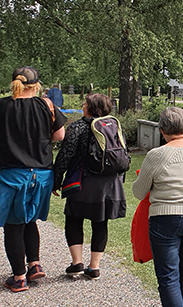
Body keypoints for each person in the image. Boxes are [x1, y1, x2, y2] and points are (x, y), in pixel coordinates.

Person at [133, 107, 183, 307]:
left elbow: (139, 192)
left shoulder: (157, 155)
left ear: (162, 130)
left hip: (166, 217)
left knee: (168, 275)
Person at [0, 66, 67, 292]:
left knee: (12, 224)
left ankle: (19, 277)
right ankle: (34, 264)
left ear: (14, 84)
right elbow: (59, 135)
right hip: (42, 174)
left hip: (12, 174)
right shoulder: (46, 105)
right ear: (36, 85)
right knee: (29, 219)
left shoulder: (3, 106)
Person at [52, 93, 126, 280]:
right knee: (100, 222)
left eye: (85, 103)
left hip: (82, 182)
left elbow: (65, 155)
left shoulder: (77, 127)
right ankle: (94, 267)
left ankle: (77, 263)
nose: (82, 105)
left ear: (90, 107)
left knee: (73, 218)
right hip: (108, 184)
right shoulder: (113, 126)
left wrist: (57, 179)